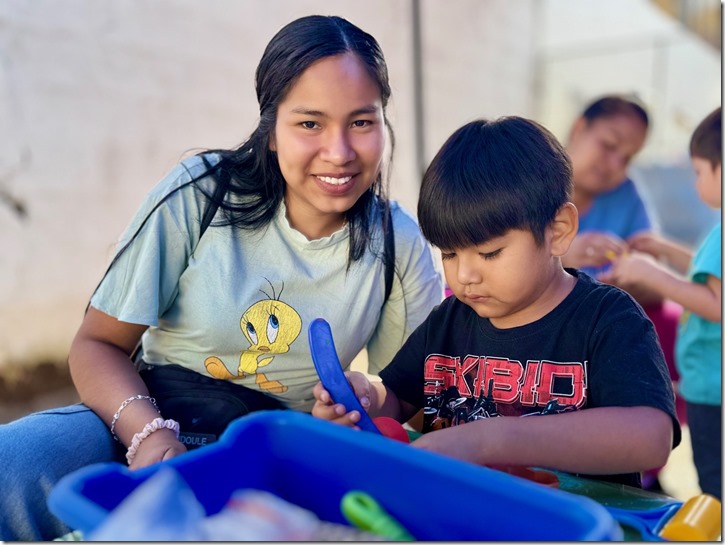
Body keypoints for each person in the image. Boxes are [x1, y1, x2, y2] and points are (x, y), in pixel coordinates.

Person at [0, 15, 443, 541]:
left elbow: (407, 394)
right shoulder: (201, 194)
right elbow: (97, 345)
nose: (339, 151)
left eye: (361, 122)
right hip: (148, 417)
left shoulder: (395, 241)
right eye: (309, 123)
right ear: (272, 130)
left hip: (277, 459)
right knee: (12, 464)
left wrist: (357, 405)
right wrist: (147, 437)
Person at [313, 116, 681, 488]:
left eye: (489, 253)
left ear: (558, 232)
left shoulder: (608, 320)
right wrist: (364, 397)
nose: (465, 275)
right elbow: (398, 397)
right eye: (450, 254)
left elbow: (651, 438)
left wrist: (492, 440)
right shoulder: (450, 322)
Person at [560, 95, 684, 491]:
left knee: (668, 320)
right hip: (539, 317)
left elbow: (650, 277)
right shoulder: (528, 178)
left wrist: (631, 281)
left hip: (606, 325)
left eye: (627, 157)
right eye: (609, 145)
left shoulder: (627, 195)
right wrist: (559, 255)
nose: (614, 165)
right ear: (579, 128)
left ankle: (636, 462)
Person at [601, 107, 721, 499]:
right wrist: (663, 248)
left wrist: (653, 276)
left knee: (715, 484)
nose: (696, 180)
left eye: (700, 171)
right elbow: (710, 275)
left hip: (712, 391)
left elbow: (717, 304)